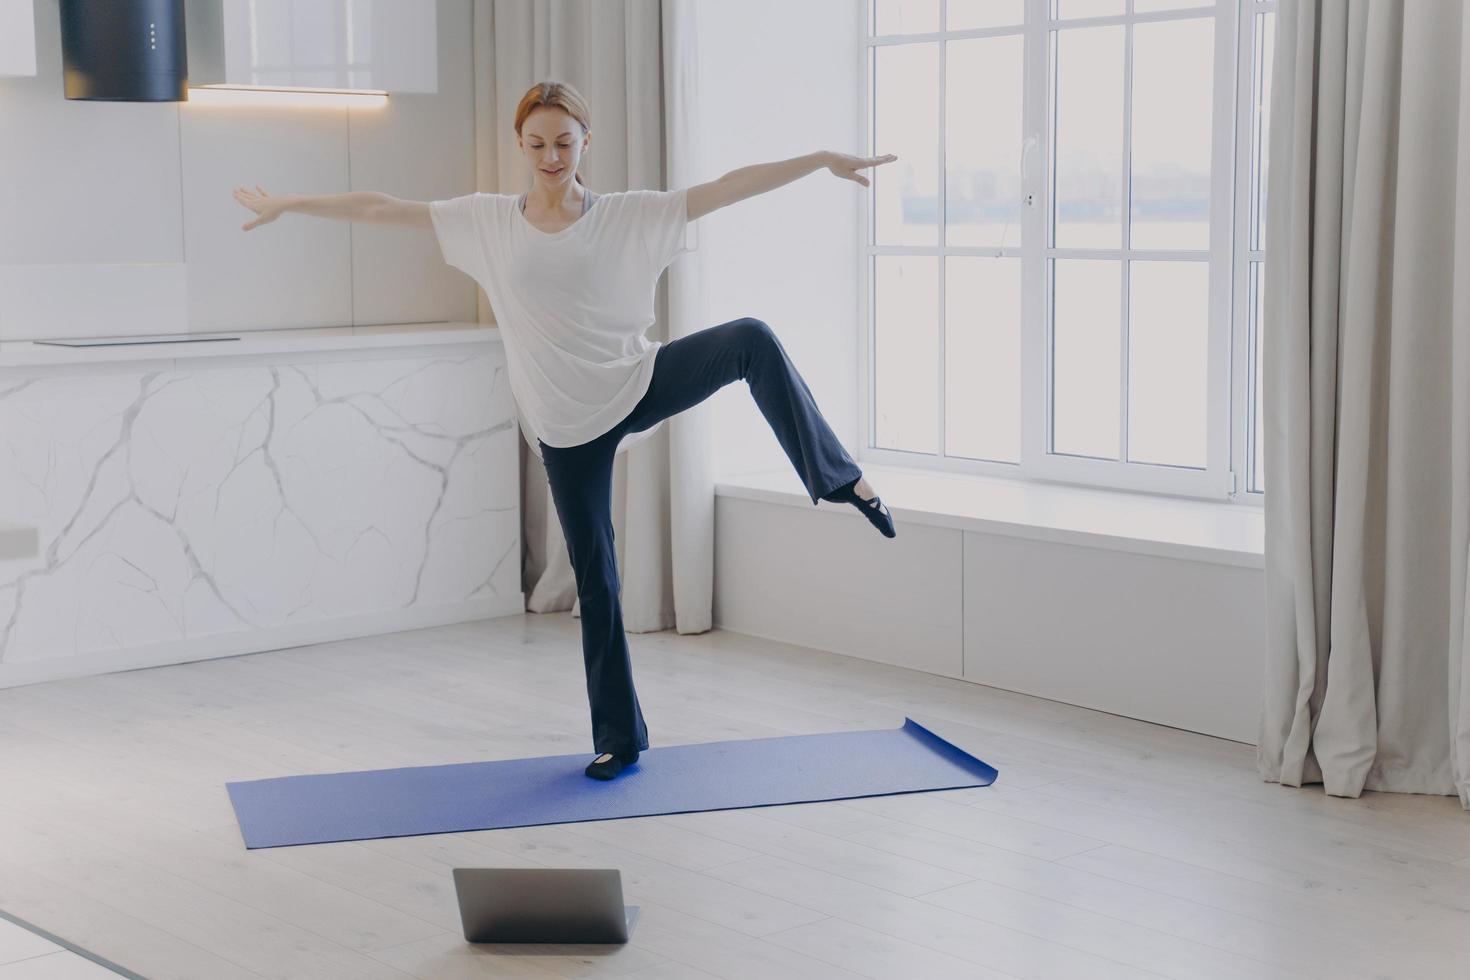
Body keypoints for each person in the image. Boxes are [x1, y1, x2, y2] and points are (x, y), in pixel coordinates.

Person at [233, 79, 898, 781]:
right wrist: (289, 204)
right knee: (598, 579)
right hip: (563, 425)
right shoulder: (487, 221)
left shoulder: (629, 216)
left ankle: (839, 478)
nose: (551, 155)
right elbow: (381, 206)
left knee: (750, 340)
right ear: (520, 146)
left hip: (632, 384)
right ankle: (620, 737)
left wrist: (820, 157)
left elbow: (729, 186)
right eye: (537, 143)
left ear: (586, 142)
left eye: (564, 141)